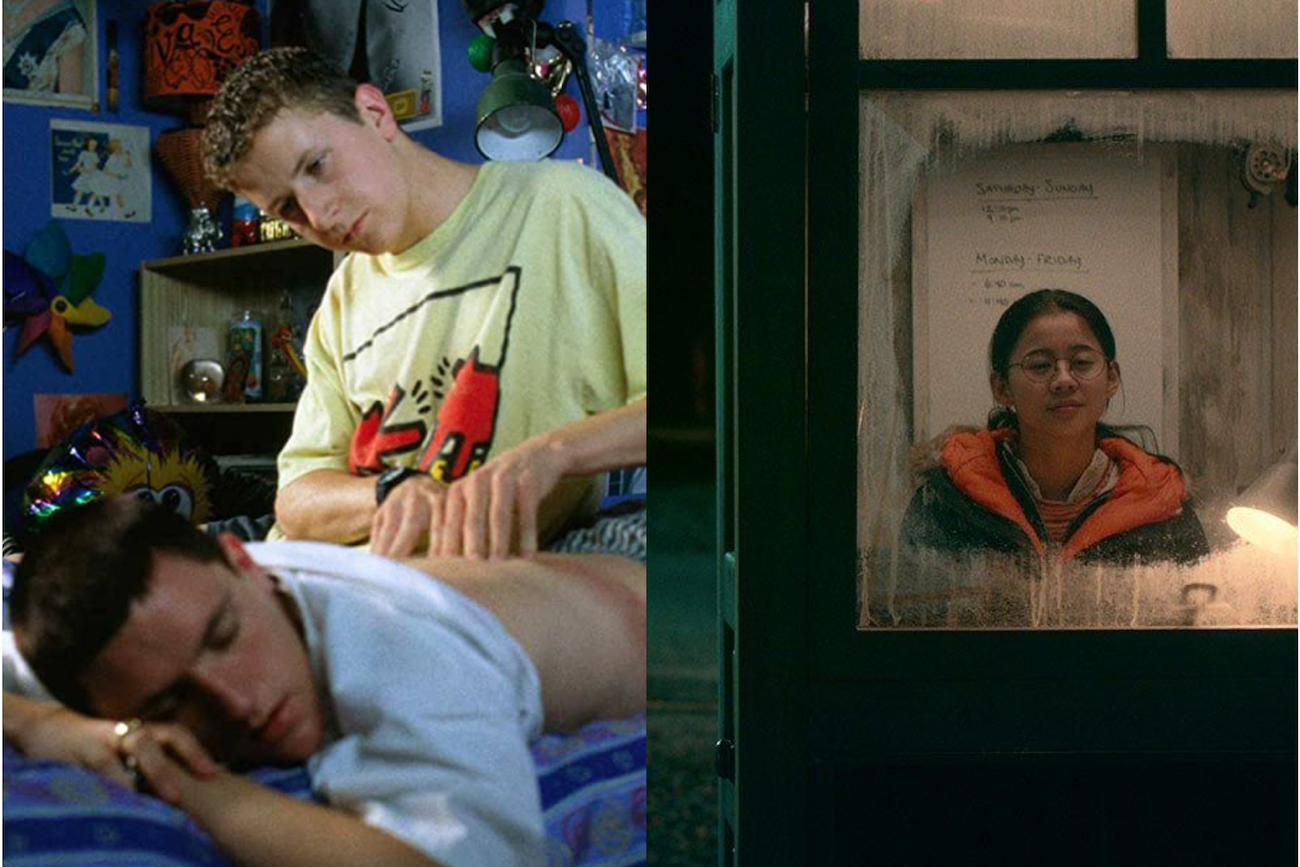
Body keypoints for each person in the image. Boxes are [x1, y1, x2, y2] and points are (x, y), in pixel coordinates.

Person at [5, 494, 645, 867]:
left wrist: (185, 782)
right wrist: (46, 724)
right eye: (171, 704)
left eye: (226, 636)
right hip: (519, 566)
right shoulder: (137, 636)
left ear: (243, 563)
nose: (238, 703)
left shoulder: (400, 657)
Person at [201, 47, 646, 562]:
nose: (318, 217)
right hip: (327, 565)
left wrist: (555, 454)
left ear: (375, 112)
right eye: (287, 209)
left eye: (318, 166)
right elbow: (297, 501)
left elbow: (709, 405)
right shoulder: (342, 300)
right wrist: (393, 491)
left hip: (453, 589)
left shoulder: (564, 207)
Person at [900, 289, 1209, 571]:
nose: (1064, 380)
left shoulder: (1164, 505)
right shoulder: (948, 500)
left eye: (1082, 362)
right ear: (1002, 388)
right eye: (1040, 366)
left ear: (1112, 378)